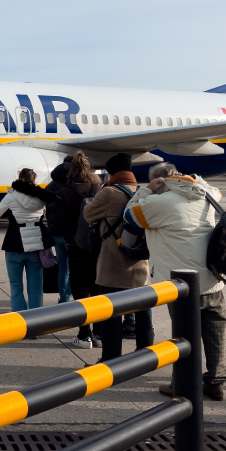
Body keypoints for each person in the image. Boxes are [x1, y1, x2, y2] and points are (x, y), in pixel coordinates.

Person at [125, 162, 226, 401]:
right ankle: (215, 381)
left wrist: (145, 190)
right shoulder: (207, 194)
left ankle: (180, 383)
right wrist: (196, 180)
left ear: (159, 182)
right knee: (215, 334)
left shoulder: (157, 203)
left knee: (184, 336)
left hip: (180, 284)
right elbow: (216, 190)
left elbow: (130, 215)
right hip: (213, 278)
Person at [84, 153, 151, 361]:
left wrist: (99, 191)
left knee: (111, 313)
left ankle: (111, 358)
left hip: (113, 261)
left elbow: (89, 214)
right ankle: (145, 354)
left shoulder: (110, 192)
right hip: (139, 260)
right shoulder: (142, 192)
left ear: (111, 172)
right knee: (142, 311)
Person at [54, 152, 102, 348]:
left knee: (80, 292)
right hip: (98, 247)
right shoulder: (99, 189)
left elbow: (57, 225)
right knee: (98, 290)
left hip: (76, 247)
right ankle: (100, 333)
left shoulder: (65, 192)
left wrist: (68, 238)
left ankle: (85, 334)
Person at [0, 168, 54, 313]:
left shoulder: (11, 196)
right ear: (34, 180)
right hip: (37, 242)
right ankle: (36, 321)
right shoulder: (41, 197)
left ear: (19, 178)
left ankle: (20, 318)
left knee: (16, 285)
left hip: (15, 242)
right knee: (35, 286)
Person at [45, 158, 73, 304]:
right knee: (73, 267)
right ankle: (67, 295)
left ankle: (63, 297)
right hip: (69, 233)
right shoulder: (71, 188)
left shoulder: (49, 187)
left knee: (62, 267)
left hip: (55, 231)